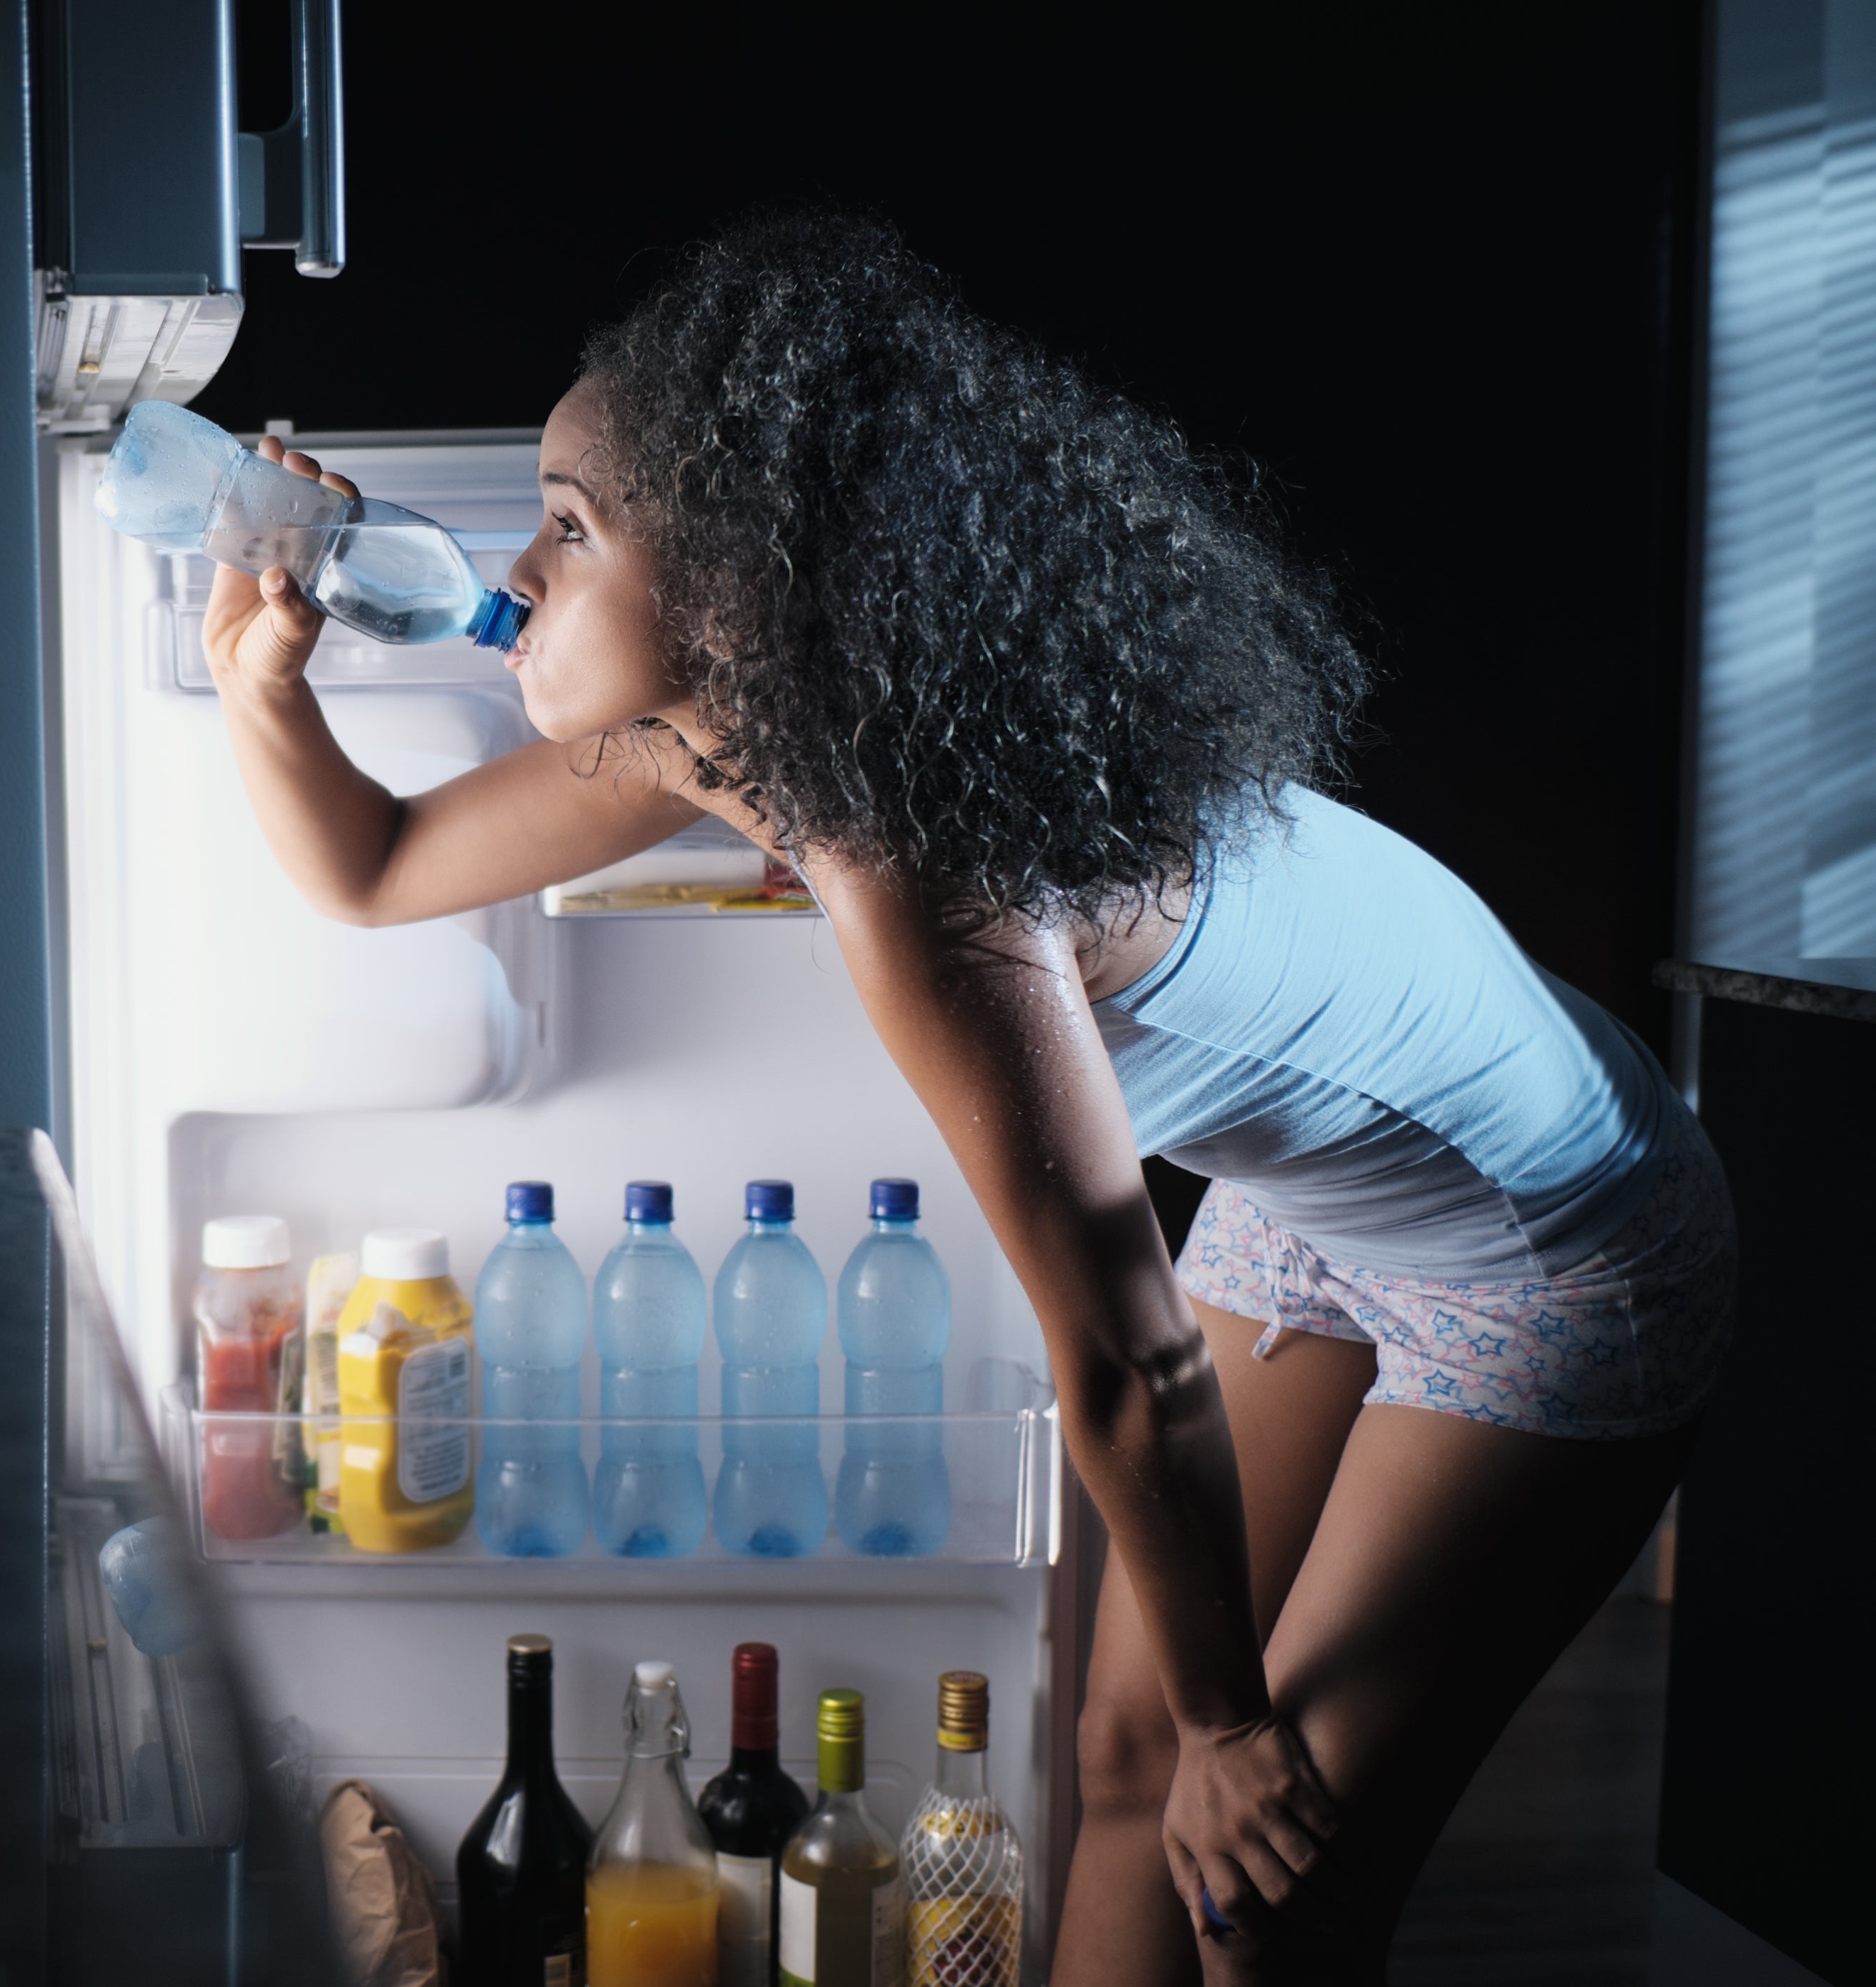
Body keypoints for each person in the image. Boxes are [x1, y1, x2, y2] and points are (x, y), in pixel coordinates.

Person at [197, 214, 1731, 1984]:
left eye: (571, 528)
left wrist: (1241, 1727)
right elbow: (379, 865)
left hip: (1560, 1242)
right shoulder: (740, 731)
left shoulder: (923, 863)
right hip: (1334, 1196)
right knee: (1128, 1756)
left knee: (1273, 1857)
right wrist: (262, 685)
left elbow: (1133, 1360)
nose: (516, 569)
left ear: (743, 594)